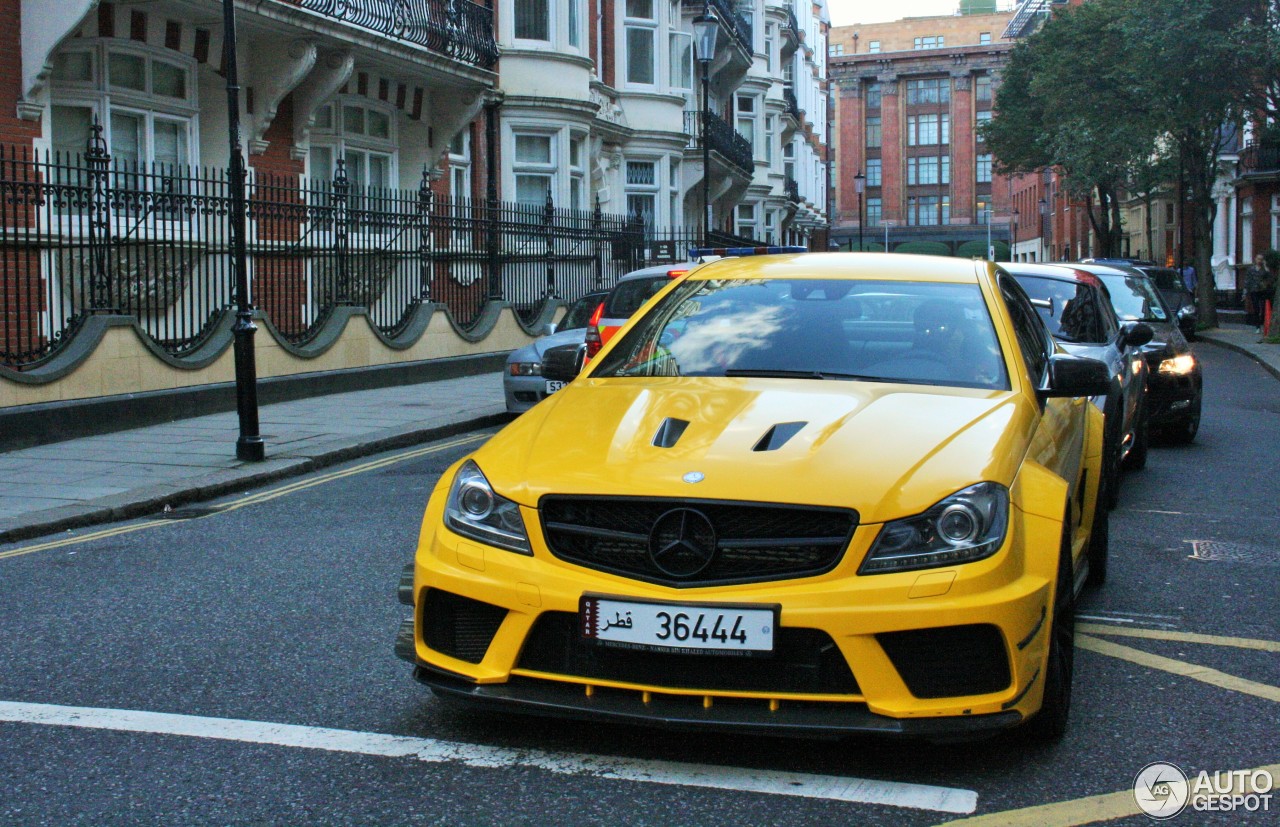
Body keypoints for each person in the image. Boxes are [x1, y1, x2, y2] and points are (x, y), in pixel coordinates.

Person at [1243, 254, 1275, 332]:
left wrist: (1266, 268)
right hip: (1254, 291)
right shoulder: (1251, 269)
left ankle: (1263, 323)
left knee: (1263, 308)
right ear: (1255, 259)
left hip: (1263, 291)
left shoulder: (1264, 270)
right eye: (1258, 259)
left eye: (1261, 259)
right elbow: (1247, 281)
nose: (1259, 261)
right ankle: (1257, 326)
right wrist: (1245, 292)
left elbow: (1270, 279)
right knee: (1256, 308)